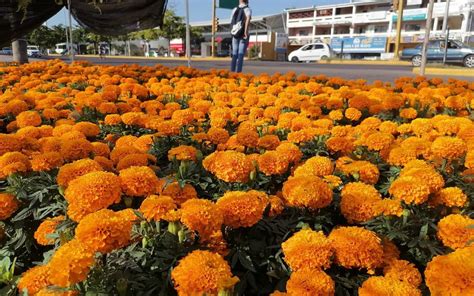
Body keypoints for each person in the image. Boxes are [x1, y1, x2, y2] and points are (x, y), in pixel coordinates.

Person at [230, 0, 251, 73]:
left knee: (234, 54)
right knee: (241, 54)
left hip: (235, 34)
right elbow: (248, 19)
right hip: (242, 35)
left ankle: (232, 72)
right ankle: (238, 72)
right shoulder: (247, 9)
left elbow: (231, 21)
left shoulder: (234, 9)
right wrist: (245, 31)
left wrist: (233, 32)